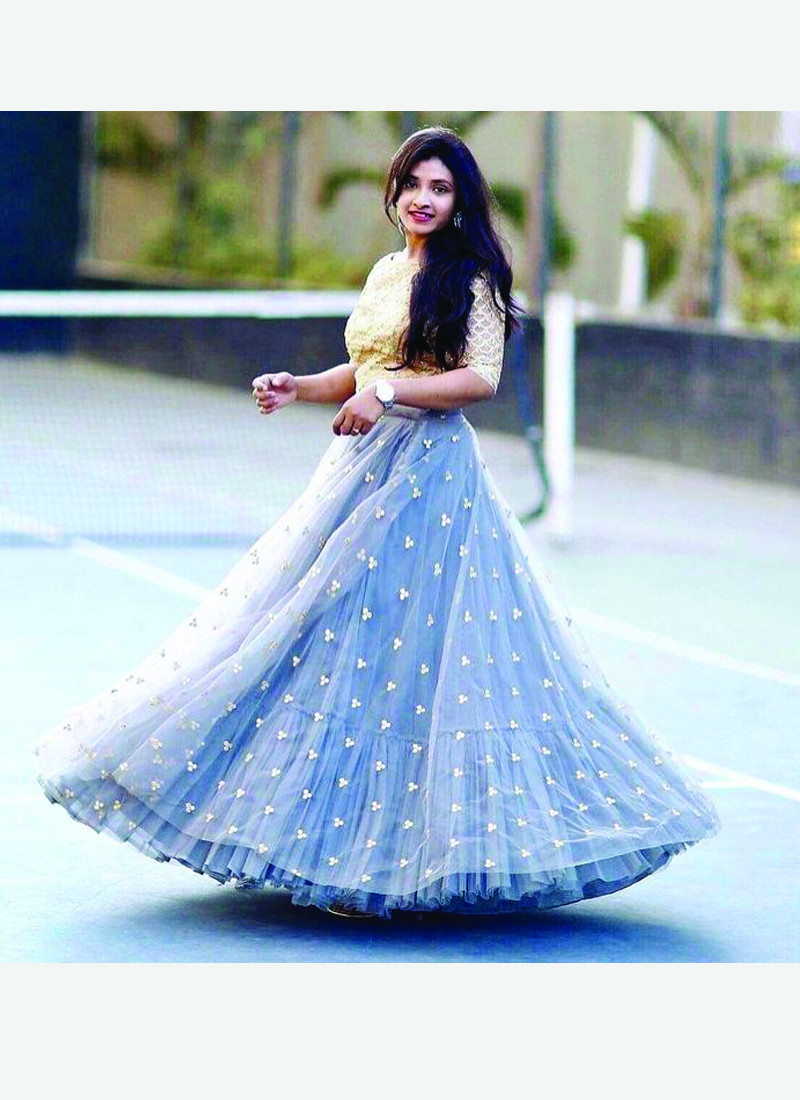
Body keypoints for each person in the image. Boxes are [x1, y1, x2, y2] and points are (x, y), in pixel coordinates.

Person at [32, 127, 721, 921]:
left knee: (402, 654)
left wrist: (387, 393)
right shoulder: (389, 271)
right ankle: (331, 846)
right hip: (357, 475)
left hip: (431, 483)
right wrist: (300, 385)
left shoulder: (471, 281)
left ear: (460, 203)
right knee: (325, 640)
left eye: (441, 188)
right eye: (413, 184)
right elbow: (363, 371)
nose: (424, 199)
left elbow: (477, 379)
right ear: (394, 192)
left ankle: (391, 863)